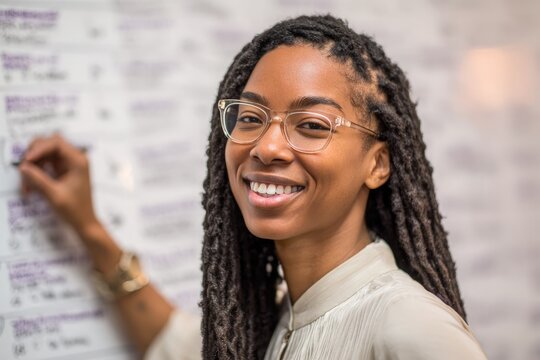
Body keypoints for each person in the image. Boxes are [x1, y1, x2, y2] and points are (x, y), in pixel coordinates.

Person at [18, 15, 487, 360]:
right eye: (249, 117)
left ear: (377, 164)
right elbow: (176, 344)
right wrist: (87, 226)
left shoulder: (410, 328)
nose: (267, 146)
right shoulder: (280, 320)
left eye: (311, 124)